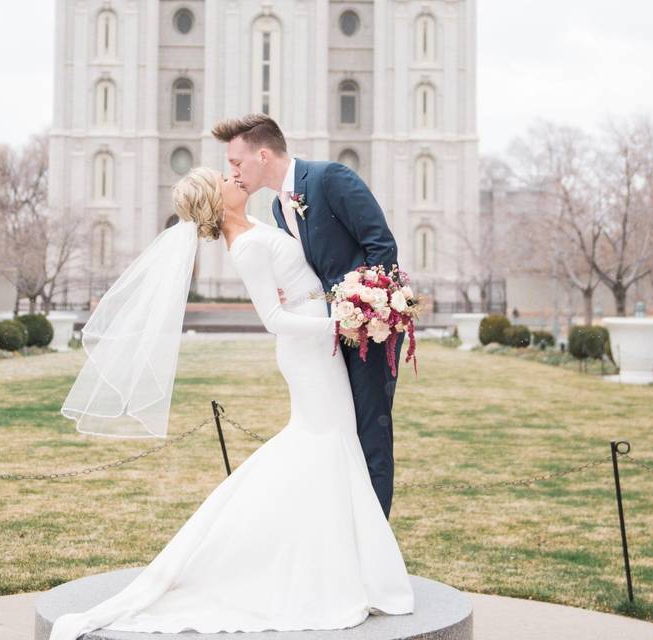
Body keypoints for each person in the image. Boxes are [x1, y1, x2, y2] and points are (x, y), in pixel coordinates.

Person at [49, 166, 413, 640]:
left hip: (319, 347)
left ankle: (336, 564)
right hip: (308, 354)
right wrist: (337, 324)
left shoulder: (261, 226)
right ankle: (317, 566)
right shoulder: (245, 247)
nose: (233, 178)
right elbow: (274, 318)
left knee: (329, 447)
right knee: (327, 444)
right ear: (215, 201)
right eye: (223, 178)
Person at [212, 113, 404, 520]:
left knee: (370, 432)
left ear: (262, 155)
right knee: (338, 435)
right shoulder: (279, 209)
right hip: (324, 336)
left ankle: (373, 546)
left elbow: (381, 247)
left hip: (369, 329)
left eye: (236, 163)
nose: (233, 172)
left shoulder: (329, 178)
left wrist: (367, 310)